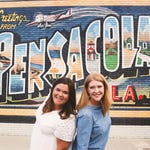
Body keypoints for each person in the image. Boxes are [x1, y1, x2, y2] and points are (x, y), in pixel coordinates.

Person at [30, 77, 77, 150]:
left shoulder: (67, 118)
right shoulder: (45, 105)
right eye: (58, 90)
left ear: (70, 97)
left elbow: (62, 148)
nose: (60, 94)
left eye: (65, 92)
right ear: (52, 90)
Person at [73, 72, 112, 150]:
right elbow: (82, 147)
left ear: (104, 88)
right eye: (92, 87)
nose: (96, 91)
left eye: (99, 86)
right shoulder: (86, 115)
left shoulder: (103, 107)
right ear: (87, 90)